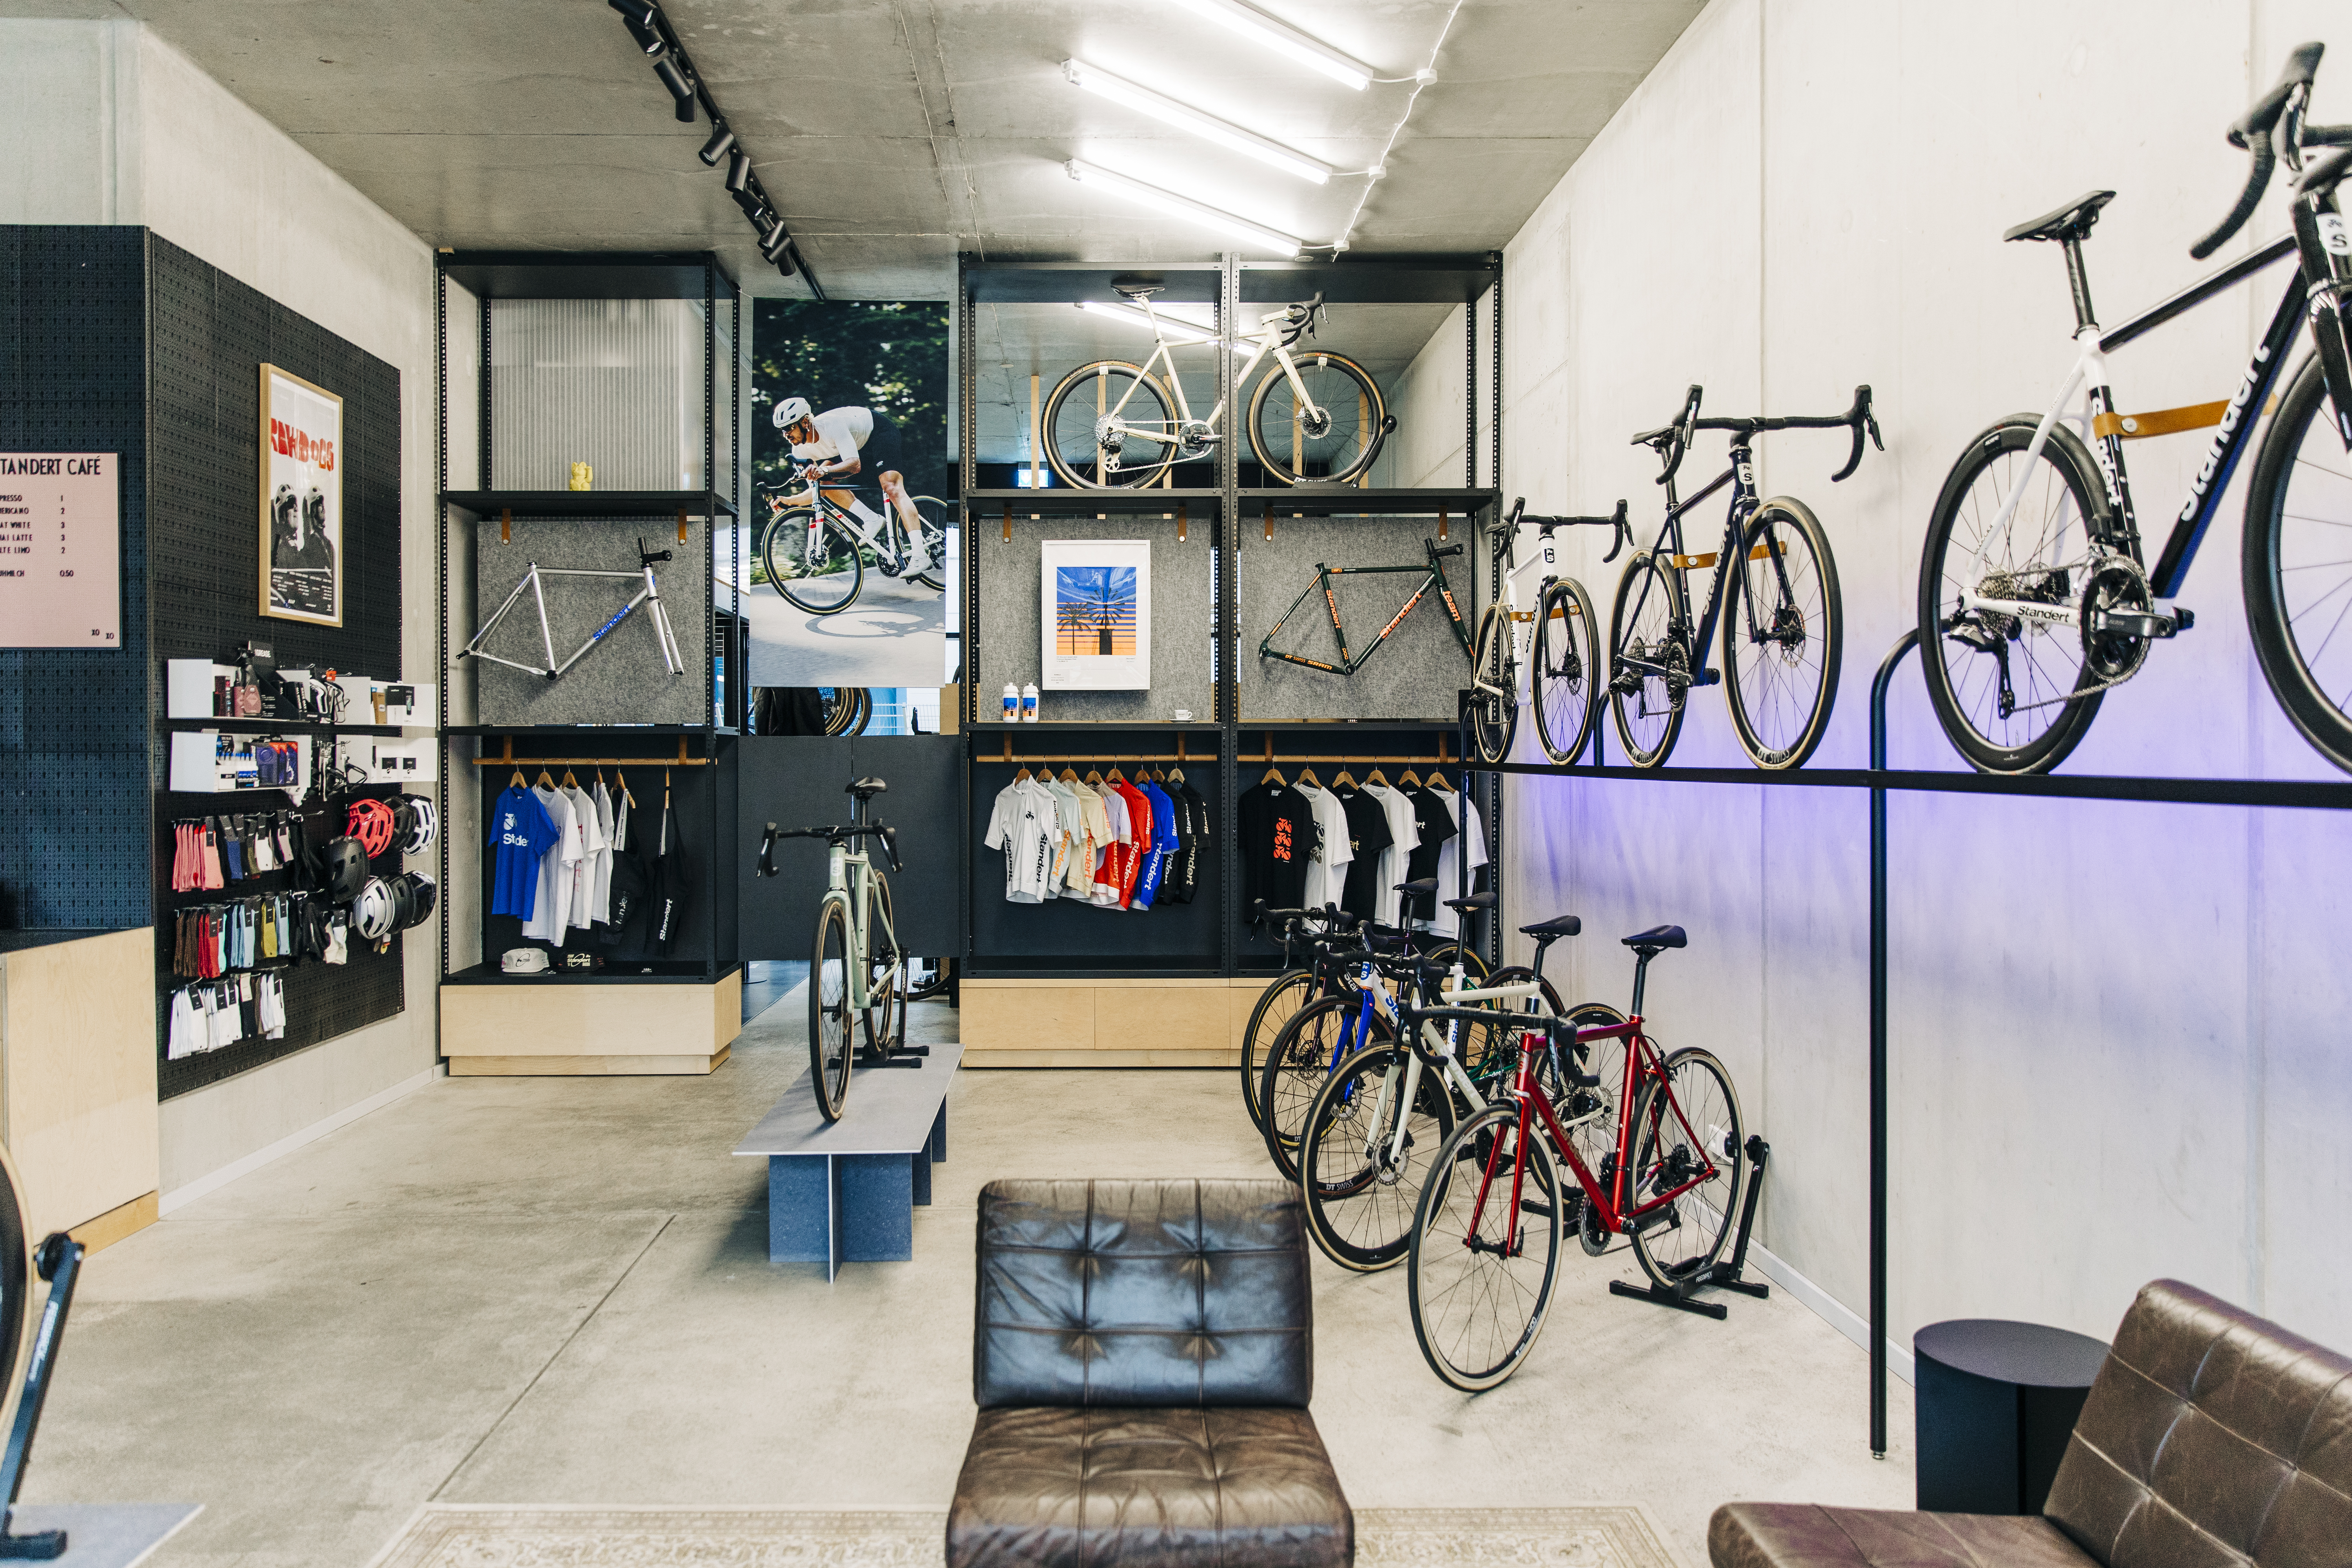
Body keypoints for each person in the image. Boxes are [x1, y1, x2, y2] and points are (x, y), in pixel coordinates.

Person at [771, 397, 930, 577]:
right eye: (782, 430)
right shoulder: (799, 451)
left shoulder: (832, 425)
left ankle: (920, 556)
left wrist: (824, 470)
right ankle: (871, 518)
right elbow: (817, 492)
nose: (786, 434)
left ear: (805, 422)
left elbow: (855, 465)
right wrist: (790, 501)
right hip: (852, 446)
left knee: (891, 487)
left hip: (877, 433)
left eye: (789, 428)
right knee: (822, 484)